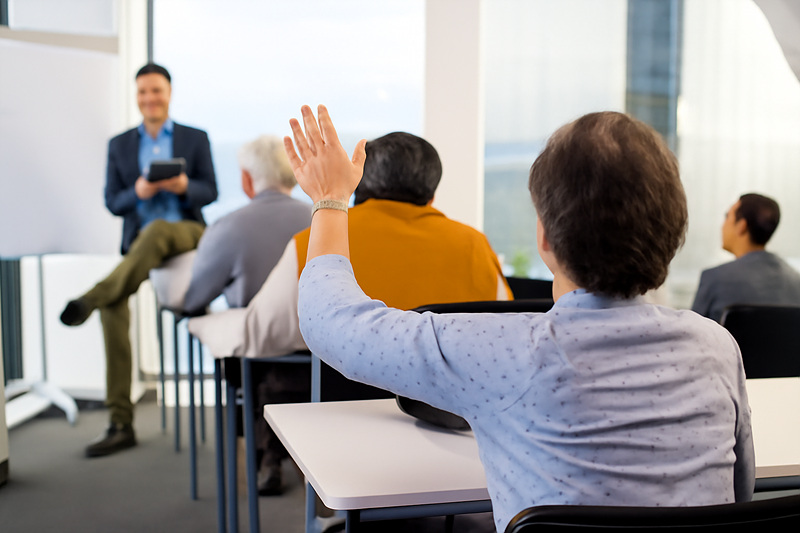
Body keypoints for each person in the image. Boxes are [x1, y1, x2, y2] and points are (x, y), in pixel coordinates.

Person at [287, 106, 754, 532]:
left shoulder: (503, 351)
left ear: (545, 239)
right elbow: (738, 497)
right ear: (672, 233)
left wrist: (330, 199)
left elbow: (332, 322)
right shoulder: (716, 346)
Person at [189, 130, 511, 495]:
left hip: (335, 441)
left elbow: (261, 334)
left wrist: (207, 324)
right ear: (432, 193)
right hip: (451, 441)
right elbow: (499, 338)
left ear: (358, 184)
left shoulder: (312, 243)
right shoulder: (475, 246)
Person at [59, 63, 218, 458]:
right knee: (114, 309)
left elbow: (210, 190)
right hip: (138, 245)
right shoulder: (120, 145)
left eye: (157, 91)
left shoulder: (195, 138)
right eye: (143, 92)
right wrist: (139, 192)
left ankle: (91, 295)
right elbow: (114, 202)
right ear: (136, 97)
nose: (150, 99)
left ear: (169, 94)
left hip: (185, 237)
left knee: (160, 230)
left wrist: (184, 187)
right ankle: (120, 423)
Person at [181, 135, 312, 315]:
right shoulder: (321, 219)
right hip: (316, 334)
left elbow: (195, 298)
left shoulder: (227, 227)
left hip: (257, 335)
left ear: (246, 179)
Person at [691, 193, 800, 323]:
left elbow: (690, 336)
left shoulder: (714, 278)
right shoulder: (796, 281)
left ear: (741, 226)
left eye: (727, 216)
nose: (722, 225)